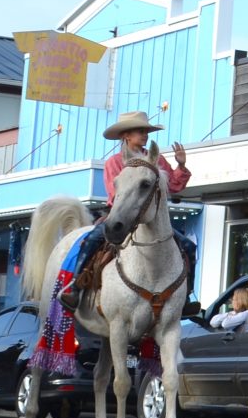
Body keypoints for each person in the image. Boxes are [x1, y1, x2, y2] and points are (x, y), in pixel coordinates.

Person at [62, 111, 192, 315]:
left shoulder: (155, 160)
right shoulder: (114, 162)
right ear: (126, 136)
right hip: (120, 217)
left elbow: (174, 186)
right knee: (91, 241)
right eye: (140, 131)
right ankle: (75, 287)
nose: (145, 135)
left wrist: (181, 165)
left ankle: (184, 297)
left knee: (188, 247)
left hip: (153, 220)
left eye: (146, 131)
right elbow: (117, 195)